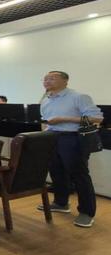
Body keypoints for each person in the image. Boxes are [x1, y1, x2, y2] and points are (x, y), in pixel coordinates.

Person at [37, 70, 103, 228]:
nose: (47, 81)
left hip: (73, 138)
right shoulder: (46, 99)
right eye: (45, 79)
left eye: (52, 78)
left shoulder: (78, 97)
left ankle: (87, 212)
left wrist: (64, 119)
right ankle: (61, 203)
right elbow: (46, 121)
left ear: (65, 81)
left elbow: (97, 118)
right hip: (52, 137)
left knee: (79, 175)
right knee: (56, 171)